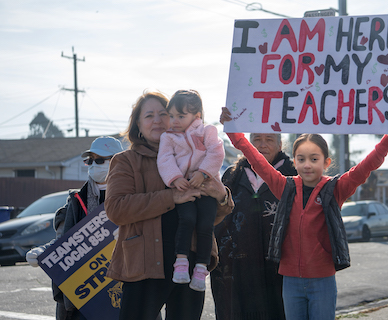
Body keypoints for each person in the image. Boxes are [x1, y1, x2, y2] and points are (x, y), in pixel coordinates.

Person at [225, 118, 388, 320]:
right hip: (290, 281)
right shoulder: (285, 187)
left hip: (322, 281)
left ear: (326, 162)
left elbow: (363, 169)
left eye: (314, 159)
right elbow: (256, 160)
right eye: (301, 159)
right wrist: (233, 131)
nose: (307, 165)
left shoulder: (335, 189)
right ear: (294, 162)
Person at [104, 90, 234, 320]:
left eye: (163, 114)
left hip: (190, 261)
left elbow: (215, 214)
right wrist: (170, 197)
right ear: (137, 125)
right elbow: (116, 209)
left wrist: (222, 196)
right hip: (144, 265)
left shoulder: (196, 152)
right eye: (148, 115)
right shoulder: (126, 161)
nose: (157, 120)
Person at [25, 136, 124, 320]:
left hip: (123, 291)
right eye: (90, 161)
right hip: (85, 297)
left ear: (117, 161)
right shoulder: (76, 201)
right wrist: (43, 252)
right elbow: (64, 242)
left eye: (100, 160)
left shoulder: (132, 196)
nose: (94, 165)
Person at [211, 107, 296, 319]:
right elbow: (217, 218)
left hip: (281, 269)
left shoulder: (294, 175)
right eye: (257, 138)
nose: (262, 144)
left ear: (280, 144)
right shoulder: (232, 175)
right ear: (247, 142)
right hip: (237, 270)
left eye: (269, 138)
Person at [157, 90, 225, 292]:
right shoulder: (168, 137)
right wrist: (175, 178)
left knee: (205, 226)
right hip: (184, 188)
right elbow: (165, 159)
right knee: (186, 220)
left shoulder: (208, 131)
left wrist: (203, 173)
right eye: (171, 116)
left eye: (181, 115)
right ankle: (180, 262)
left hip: (206, 187)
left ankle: (201, 269)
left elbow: (216, 152)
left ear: (196, 116)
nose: (174, 121)